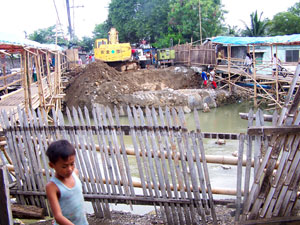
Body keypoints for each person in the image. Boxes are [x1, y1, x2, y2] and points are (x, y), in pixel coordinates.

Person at [46, 140, 89, 225]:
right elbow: (58, 216)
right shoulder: (52, 187)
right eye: (64, 166)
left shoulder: (75, 174)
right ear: (52, 165)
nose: (69, 169)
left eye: (72, 164)